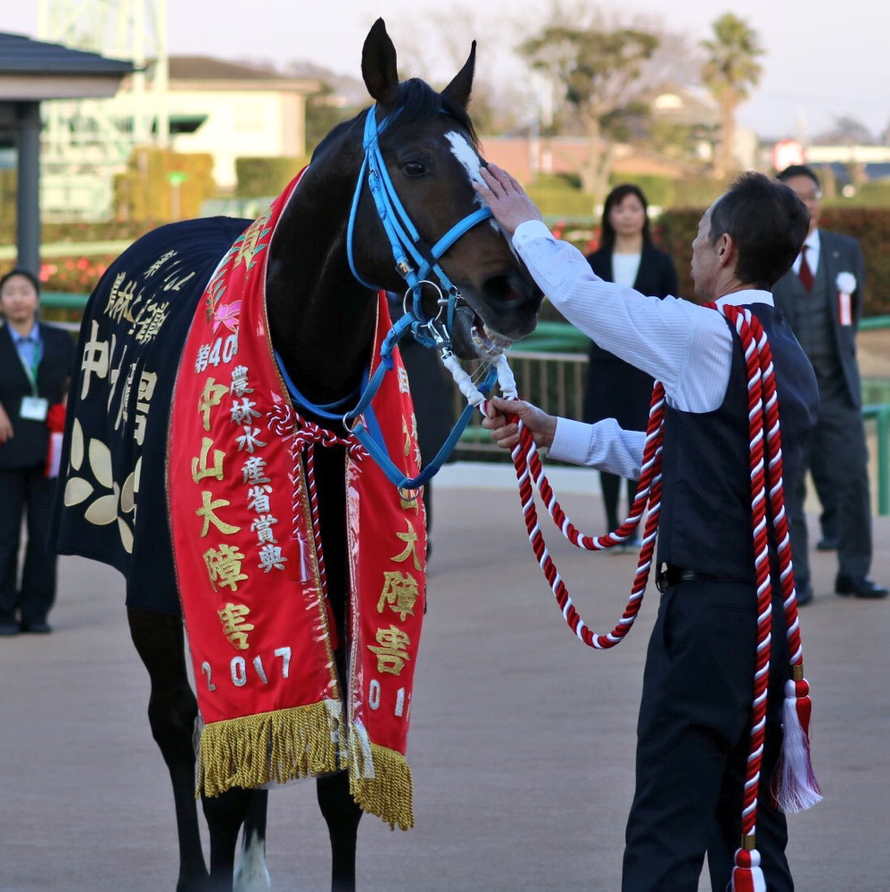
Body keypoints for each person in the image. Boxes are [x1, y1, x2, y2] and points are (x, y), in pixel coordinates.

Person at [473, 165, 818, 892]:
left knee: (666, 821)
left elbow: (586, 299)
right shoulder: (781, 351)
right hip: (763, 620)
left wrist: (525, 225)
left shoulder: (706, 337)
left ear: (724, 250)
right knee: (747, 833)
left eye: (696, 241)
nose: (689, 254)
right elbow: (686, 458)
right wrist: (553, 431)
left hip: (706, 619)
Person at [773, 164, 888, 601]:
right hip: (785, 394)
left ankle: (854, 573)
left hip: (838, 390)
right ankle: (796, 579)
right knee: (789, 488)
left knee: (854, 479)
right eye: (796, 196)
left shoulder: (846, 251)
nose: (808, 204)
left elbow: (850, 316)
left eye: (813, 194)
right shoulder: (768, 256)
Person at [584, 184, 678, 543]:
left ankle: (635, 524)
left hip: (645, 370)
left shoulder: (661, 262)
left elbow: (671, 311)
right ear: (609, 215)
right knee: (605, 441)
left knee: (643, 444)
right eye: (619, 208)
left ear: (644, 215)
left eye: (634, 208)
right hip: (605, 369)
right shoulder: (593, 262)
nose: (626, 215)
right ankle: (613, 524)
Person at [0, 268, 76, 635]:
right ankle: (2, 613)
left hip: (51, 450)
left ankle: (36, 611)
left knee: (45, 536)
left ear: (37, 299)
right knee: (4, 536)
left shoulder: (60, 340)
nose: (17, 299)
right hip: (5, 451)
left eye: (24, 292)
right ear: (1, 302)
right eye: (10, 292)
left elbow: (81, 380)